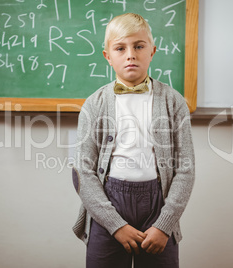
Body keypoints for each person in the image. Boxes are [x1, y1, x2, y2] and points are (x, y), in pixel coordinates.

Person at [72, 13, 195, 268]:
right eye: (120, 48)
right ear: (108, 56)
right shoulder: (95, 104)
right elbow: (82, 171)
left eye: (139, 46)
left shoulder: (173, 101)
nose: (131, 54)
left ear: (152, 51)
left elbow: (185, 169)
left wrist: (164, 225)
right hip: (108, 207)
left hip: (158, 207)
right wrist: (115, 225)